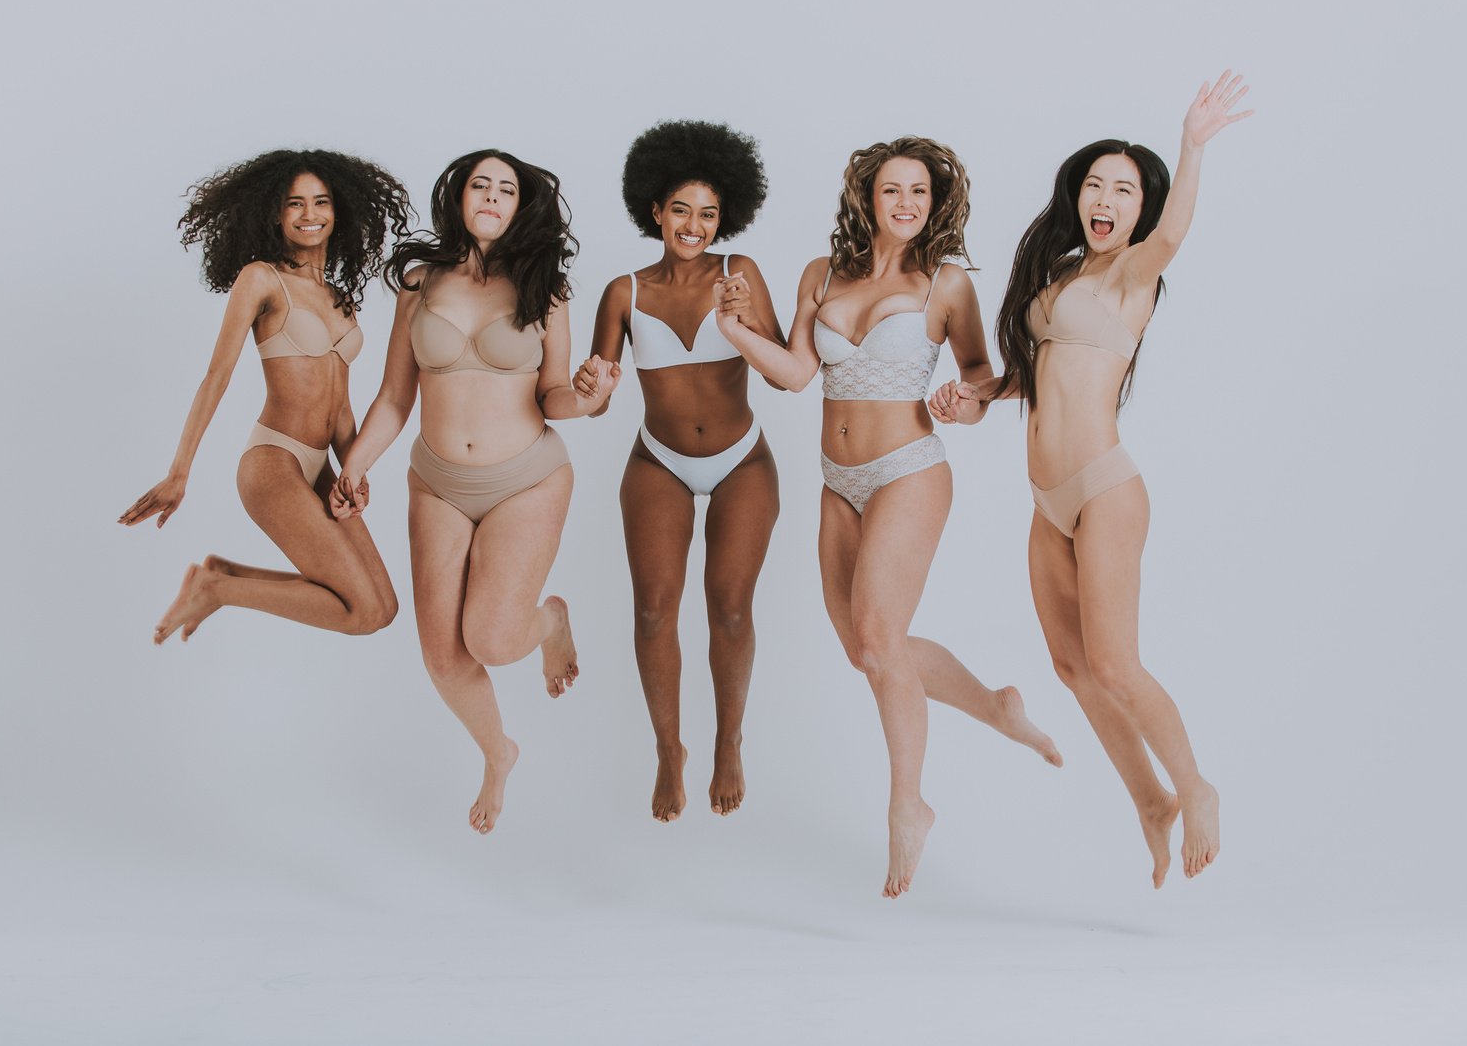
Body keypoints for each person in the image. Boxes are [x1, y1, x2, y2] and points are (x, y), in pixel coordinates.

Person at [713, 136, 1061, 898]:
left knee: (876, 638)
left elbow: (982, 379)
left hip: (908, 470)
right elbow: (799, 374)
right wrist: (738, 334)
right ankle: (994, 704)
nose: (905, 204)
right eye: (892, 190)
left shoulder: (945, 285)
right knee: (868, 650)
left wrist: (959, 404)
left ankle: (908, 803)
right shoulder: (821, 273)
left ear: (935, 206)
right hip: (837, 480)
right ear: (866, 196)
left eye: (919, 194)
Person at [932, 72, 1252, 886]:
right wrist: (973, 399)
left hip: (1104, 490)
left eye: (1125, 190)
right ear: (1077, 196)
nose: (1104, 198)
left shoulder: (1130, 275)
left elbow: (1175, 235)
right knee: (1072, 668)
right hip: (1048, 503)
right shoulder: (1059, 278)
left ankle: (1196, 786)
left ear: (1142, 208)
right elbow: (1025, 378)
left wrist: (1190, 145)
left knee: (1114, 663)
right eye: (1095, 185)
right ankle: (1149, 798)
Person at [331, 150, 617, 834]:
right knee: (442, 655)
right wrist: (356, 466)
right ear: (459, 198)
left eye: (506, 189)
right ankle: (498, 753)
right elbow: (396, 397)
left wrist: (592, 397)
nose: (491, 196)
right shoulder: (418, 283)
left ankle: (547, 620)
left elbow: (554, 397)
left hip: (526, 478)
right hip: (436, 483)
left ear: (521, 206)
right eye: (479, 185)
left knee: (490, 640)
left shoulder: (544, 286)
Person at [573, 120, 781, 821]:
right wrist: (591, 388)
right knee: (655, 609)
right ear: (655, 211)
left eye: (709, 213)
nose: (694, 225)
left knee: (727, 607)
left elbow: (785, 373)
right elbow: (596, 401)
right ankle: (669, 751)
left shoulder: (740, 273)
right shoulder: (622, 292)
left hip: (740, 459)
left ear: (725, 218)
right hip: (656, 459)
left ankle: (728, 741)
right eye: (681, 210)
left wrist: (742, 325)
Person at [119, 149, 410, 644]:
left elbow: (340, 407)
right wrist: (179, 472)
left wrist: (354, 470)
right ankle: (219, 590)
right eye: (295, 204)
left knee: (383, 609)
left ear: (339, 211)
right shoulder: (261, 278)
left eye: (321, 202)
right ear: (275, 213)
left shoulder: (340, 298)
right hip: (274, 462)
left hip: (323, 467)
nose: (310, 214)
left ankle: (219, 574)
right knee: (360, 611)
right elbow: (217, 376)